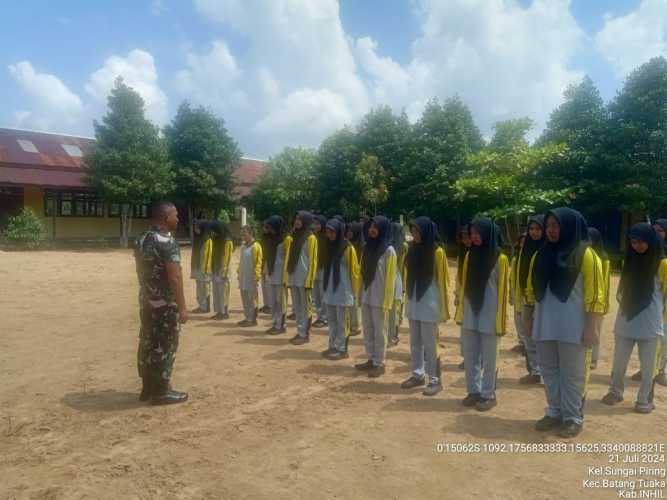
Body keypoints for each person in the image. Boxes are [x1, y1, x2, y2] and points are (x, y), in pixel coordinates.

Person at [524, 207, 605, 438]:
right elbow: (530, 290)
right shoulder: (540, 255)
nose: (550, 230)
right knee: (549, 370)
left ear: (570, 226)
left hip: (574, 326)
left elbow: (596, 296)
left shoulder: (586, 255)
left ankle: (572, 417)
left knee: (573, 373)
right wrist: (529, 319)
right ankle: (554, 411)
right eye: (548, 225)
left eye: (556, 225)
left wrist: (592, 327)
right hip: (545, 323)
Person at [601, 223, 666, 414]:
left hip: (650, 322)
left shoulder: (662, 264)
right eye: (633, 242)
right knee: (619, 362)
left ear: (651, 241)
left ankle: (644, 399)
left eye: (641, 242)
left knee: (648, 367)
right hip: (626, 319)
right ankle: (615, 392)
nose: (636, 246)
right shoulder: (629, 260)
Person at [134, 201, 188, 405]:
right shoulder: (167, 242)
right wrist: (182, 307)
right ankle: (161, 390)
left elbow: (140, 270)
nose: (178, 218)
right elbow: (174, 277)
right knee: (165, 343)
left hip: (147, 301)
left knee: (148, 341)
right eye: (175, 215)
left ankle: (147, 388)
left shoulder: (141, 239)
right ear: (166, 218)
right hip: (165, 304)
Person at [456, 217, 509, 411]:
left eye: (478, 233)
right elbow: (463, 285)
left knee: (490, 357)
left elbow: (503, 292)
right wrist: (461, 312)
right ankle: (473, 391)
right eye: (472, 234)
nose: (475, 237)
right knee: (470, 355)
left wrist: (501, 321)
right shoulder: (470, 256)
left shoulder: (500, 259)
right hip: (471, 311)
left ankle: (488, 394)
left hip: (490, 314)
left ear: (488, 233)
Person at [401, 216, 450, 396]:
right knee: (415, 342)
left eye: (418, 231)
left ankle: (435, 380)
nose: (415, 234)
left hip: (430, 302)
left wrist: (442, 308)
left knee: (430, 343)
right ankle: (417, 374)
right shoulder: (412, 249)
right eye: (413, 231)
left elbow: (443, 280)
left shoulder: (437, 252)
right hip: (414, 300)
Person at [355, 216, 396, 377]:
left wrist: (387, 301)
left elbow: (390, 278)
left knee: (380, 331)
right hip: (366, 295)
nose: (372, 230)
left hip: (380, 298)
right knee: (368, 328)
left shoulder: (389, 251)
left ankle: (380, 362)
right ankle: (371, 358)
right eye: (370, 226)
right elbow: (360, 272)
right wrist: (359, 294)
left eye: (376, 227)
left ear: (383, 229)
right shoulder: (367, 248)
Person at [632, 218, 667, 386]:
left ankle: (660, 372)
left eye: (660, 230)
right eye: (655, 230)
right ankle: (646, 369)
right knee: (648, 342)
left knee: (662, 342)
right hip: (653, 307)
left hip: (664, 307)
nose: (657, 233)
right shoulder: (650, 255)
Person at [321, 218, 360, 360]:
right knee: (332, 320)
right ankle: (333, 346)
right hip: (331, 290)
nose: (329, 235)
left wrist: (354, 293)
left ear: (338, 232)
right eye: (327, 232)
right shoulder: (329, 246)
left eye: (331, 232)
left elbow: (354, 272)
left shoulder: (348, 249)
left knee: (342, 322)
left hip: (343, 290)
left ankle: (343, 349)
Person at [515, 216, 545, 384]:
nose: (534, 232)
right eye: (532, 229)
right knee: (528, 335)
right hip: (527, 298)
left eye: (538, 229)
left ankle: (545, 372)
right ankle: (535, 371)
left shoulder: (548, 249)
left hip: (543, 301)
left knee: (542, 337)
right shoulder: (525, 249)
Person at [287, 211, 318, 345]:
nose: (297, 221)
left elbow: (313, 260)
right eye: (296, 219)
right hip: (294, 277)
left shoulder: (311, 238)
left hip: (305, 279)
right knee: (298, 307)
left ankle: (305, 334)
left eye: (300, 219)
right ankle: (300, 331)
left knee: (306, 308)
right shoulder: (294, 236)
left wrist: (309, 280)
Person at [263, 216, 292, 335]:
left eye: (270, 227)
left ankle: (281, 325)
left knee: (281, 301)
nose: (269, 229)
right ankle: (275, 323)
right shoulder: (270, 238)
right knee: (273, 300)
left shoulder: (287, 239)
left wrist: (286, 276)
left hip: (281, 275)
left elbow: (288, 258)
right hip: (271, 273)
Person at [588, 227, 611, 370]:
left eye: (590, 239)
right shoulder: (581, 256)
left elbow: (606, 283)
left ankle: (593, 359)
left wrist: (604, 305)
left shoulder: (603, 259)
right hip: (584, 300)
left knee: (594, 330)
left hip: (598, 302)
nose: (587, 242)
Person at [237, 225, 263, 327]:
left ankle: (253, 320)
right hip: (243, 277)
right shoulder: (243, 247)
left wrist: (256, 277)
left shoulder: (256, 246)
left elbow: (258, 263)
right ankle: (247, 317)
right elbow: (241, 262)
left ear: (250, 233)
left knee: (252, 299)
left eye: (244, 233)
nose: (242, 235)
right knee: (245, 298)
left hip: (251, 278)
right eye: (241, 233)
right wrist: (239, 273)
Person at [387, 222, 408, 347]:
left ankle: (392, 336)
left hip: (394, 280)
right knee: (396, 311)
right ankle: (394, 336)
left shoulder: (389, 247)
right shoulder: (403, 246)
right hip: (399, 279)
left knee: (392, 311)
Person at [455, 224, 473, 369]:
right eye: (464, 238)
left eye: (468, 237)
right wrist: (457, 294)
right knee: (464, 330)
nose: (466, 241)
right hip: (463, 297)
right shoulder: (463, 254)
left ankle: (475, 359)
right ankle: (467, 357)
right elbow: (459, 277)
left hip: (475, 298)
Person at [209, 221, 234, 320]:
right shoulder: (216, 240)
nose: (212, 233)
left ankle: (224, 313)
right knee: (216, 292)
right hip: (215, 270)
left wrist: (224, 272)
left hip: (223, 272)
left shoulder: (227, 241)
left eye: (214, 231)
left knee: (223, 293)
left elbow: (227, 258)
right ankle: (219, 312)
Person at [345, 221, 364, 337]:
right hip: (349, 276)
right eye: (347, 231)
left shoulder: (361, 246)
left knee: (355, 302)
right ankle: (351, 324)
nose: (348, 233)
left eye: (351, 231)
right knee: (350, 302)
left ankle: (356, 326)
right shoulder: (348, 245)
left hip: (358, 277)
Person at [190, 219, 213, 313]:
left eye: (196, 227)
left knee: (205, 287)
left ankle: (206, 307)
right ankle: (201, 305)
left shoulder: (207, 240)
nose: (195, 229)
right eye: (194, 227)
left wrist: (205, 270)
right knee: (199, 287)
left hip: (204, 269)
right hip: (197, 267)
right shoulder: (197, 238)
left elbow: (207, 256)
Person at [312, 214, 329, 329]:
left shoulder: (327, 237)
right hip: (315, 268)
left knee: (323, 294)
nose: (316, 226)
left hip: (324, 268)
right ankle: (319, 317)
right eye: (315, 223)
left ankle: (325, 317)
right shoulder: (314, 237)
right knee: (316, 295)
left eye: (318, 223)